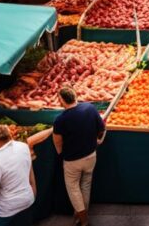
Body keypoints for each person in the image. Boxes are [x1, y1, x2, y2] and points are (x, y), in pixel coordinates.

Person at [52, 86, 105, 226]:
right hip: (91, 156)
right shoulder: (90, 108)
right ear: (75, 96)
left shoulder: (60, 119)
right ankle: (81, 213)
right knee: (86, 185)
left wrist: (61, 154)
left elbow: (57, 141)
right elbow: (101, 127)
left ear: (62, 101)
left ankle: (83, 220)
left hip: (72, 161)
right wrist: (97, 139)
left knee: (73, 188)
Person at [0, 124, 36, 226]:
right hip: (28, 199)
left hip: (8, 207)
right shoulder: (24, 146)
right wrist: (33, 191)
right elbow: (30, 171)